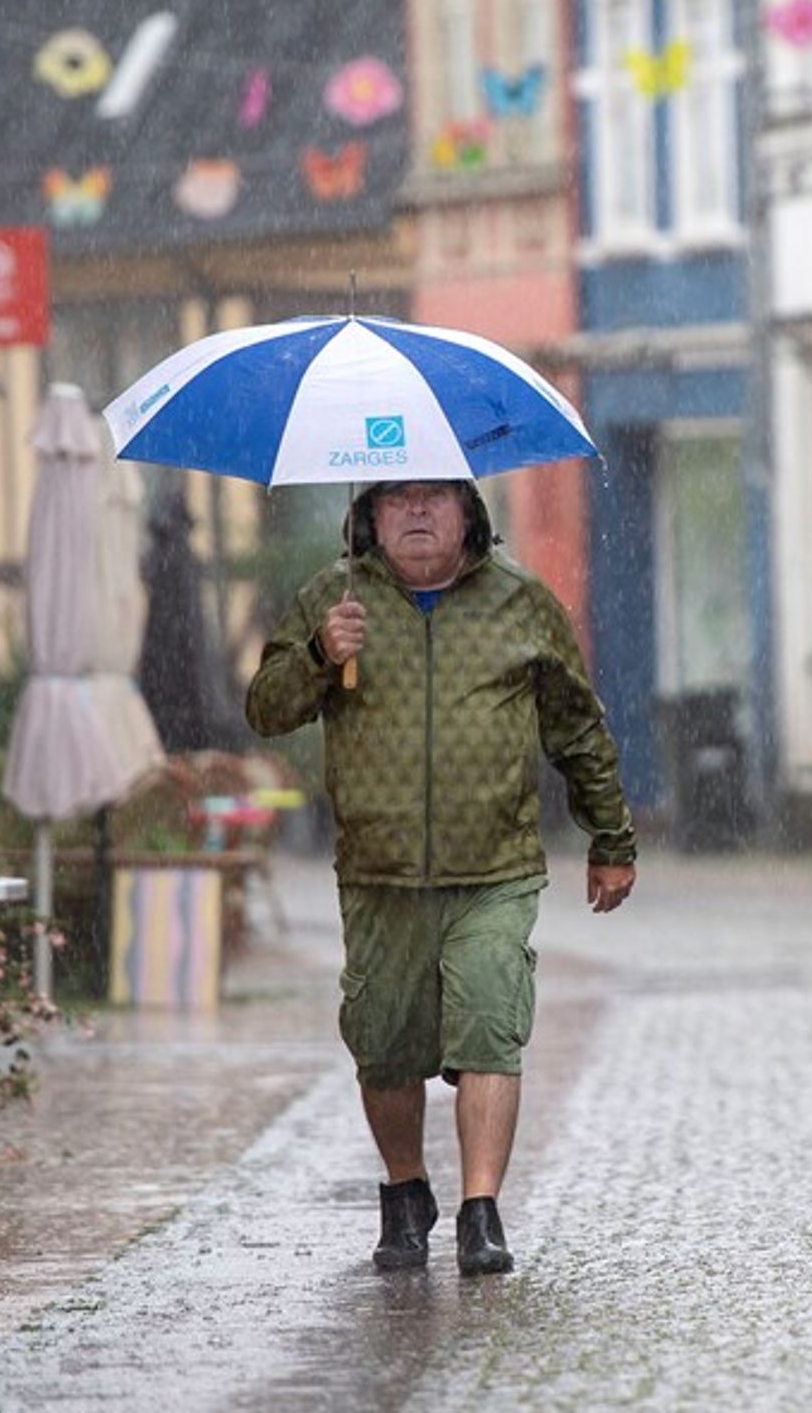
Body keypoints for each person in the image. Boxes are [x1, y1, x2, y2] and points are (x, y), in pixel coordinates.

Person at [246, 478, 637, 1275]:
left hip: (493, 865)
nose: (417, 513)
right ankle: (405, 1191)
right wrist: (322, 654)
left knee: (490, 1020)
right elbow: (264, 708)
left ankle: (480, 1210)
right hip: (379, 871)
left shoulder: (520, 602)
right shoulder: (335, 596)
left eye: (435, 498)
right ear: (370, 514)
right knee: (384, 1043)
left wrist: (611, 834)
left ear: (469, 513)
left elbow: (577, 725)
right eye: (397, 500)